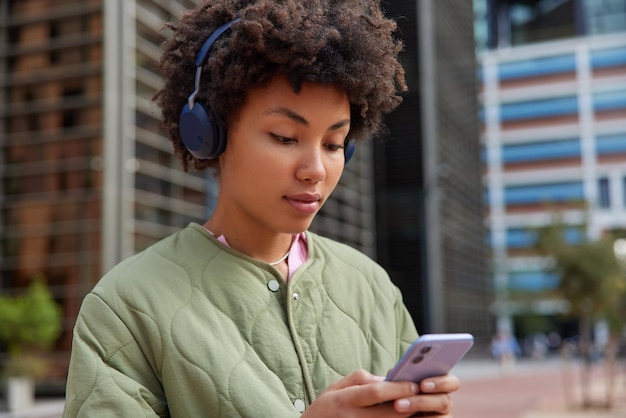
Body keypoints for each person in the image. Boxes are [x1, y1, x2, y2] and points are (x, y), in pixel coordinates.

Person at [63, 1, 460, 417]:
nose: (315, 171)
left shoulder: (372, 286)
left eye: (333, 144)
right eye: (285, 137)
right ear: (208, 133)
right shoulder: (125, 306)